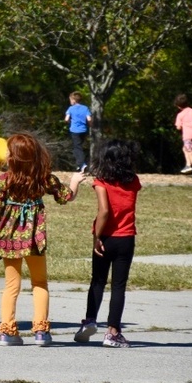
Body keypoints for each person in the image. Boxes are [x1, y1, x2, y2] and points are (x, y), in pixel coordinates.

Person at [0, 133, 86, 346]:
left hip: (8, 239)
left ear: (14, 157)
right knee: (40, 283)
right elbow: (66, 196)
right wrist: (75, 181)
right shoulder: (43, 178)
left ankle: (8, 331)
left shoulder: (4, 180)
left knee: (11, 285)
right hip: (34, 238)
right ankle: (41, 331)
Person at [74, 139, 142, 348]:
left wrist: (97, 237)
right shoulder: (134, 181)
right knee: (118, 286)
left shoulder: (102, 181)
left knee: (97, 281)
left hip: (105, 238)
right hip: (126, 238)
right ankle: (113, 332)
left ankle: (90, 321)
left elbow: (104, 211)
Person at [65, 92, 92, 171]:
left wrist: (70, 122)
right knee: (79, 146)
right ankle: (79, 164)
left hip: (74, 130)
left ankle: (81, 164)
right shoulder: (85, 108)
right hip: (83, 130)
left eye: (70, 100)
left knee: (77, 147)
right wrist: (90, 125)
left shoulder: (71, 108)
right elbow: (89, 119)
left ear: (73, 100)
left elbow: (66, 119)